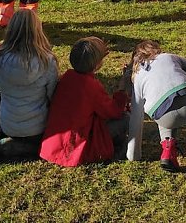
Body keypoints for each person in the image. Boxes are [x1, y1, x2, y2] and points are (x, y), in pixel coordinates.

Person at [0, 9, 59, 159]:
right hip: (38, 126)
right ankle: (19, 147)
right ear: (37, 30)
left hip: (9, 123)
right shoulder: (47, 61)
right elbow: (52, 94)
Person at [40, 37, 129, 167]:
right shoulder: (91, 86)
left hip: (52, 146)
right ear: (97, 64)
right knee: (125, 119)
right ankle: (120, 150)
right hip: (75, 148)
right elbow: (113, 111)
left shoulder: (66, 78)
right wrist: (123, 90)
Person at [125, 40, 186, 171]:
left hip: (164, 115)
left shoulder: (137, 77)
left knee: (161, 102)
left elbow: (136, 117)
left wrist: (133, 154)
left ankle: (168, 149)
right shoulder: (169, 56)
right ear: (156, 50)